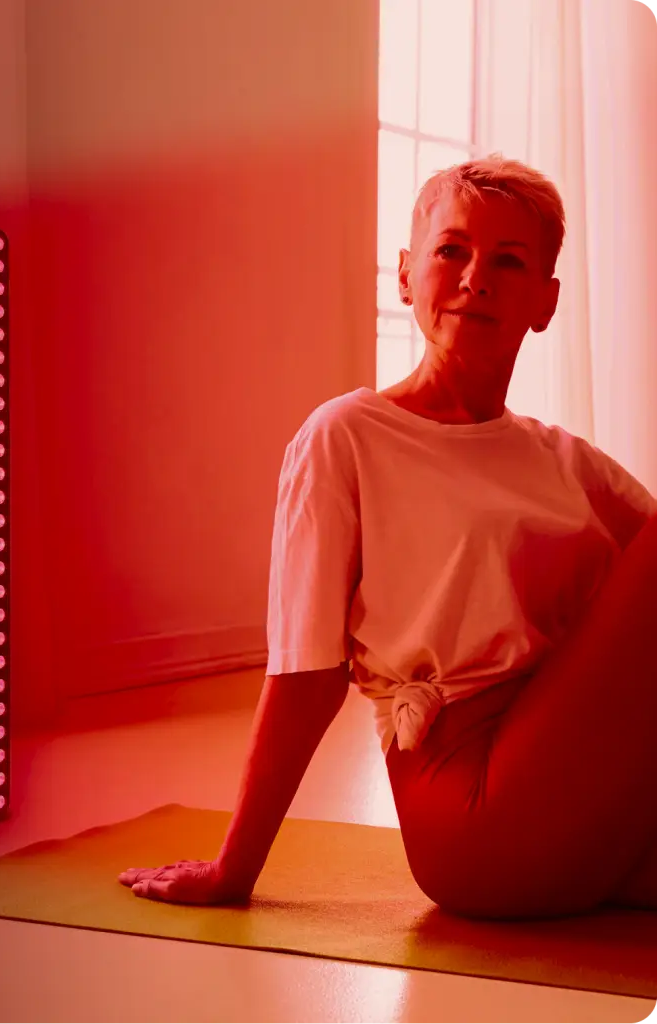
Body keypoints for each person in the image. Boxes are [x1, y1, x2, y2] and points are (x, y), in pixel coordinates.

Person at [119, 154, 657, 920]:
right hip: (475, 807)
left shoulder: (563, 460)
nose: (477, 278)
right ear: (406, 274)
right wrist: (232, 868)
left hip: (579, 791)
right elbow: (306, 675)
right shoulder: (347, 437)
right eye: (452, 251)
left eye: (509, 261)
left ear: (545, 301)